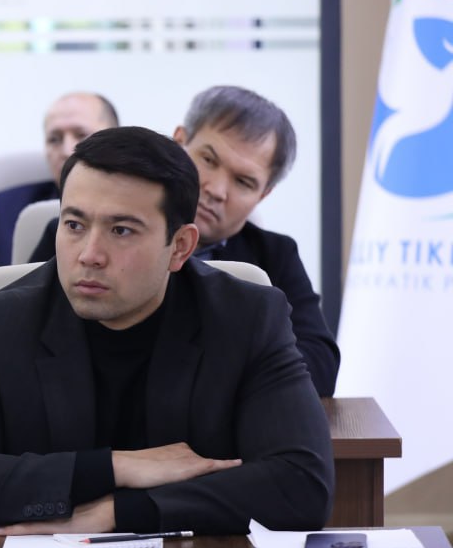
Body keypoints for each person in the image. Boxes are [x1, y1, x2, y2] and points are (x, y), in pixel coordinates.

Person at [0, 126, 334, 536]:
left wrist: (120, 511)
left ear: (180, 247)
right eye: (74, 225)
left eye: (121, 230)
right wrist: (116, 467)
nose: (90, 255)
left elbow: (302, 485)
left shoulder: (248, 319)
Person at [29, 86, 340, 396]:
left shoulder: (274, 256)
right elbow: (22, 338)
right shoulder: (75, 238)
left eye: (243, 182)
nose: (216, 189)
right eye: (208, 159)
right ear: (179, 142)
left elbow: (319, 366)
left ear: (263, 195)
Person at [0, 92, 119, 316]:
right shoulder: (9, 206)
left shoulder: (140, 206)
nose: (67, 150)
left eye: (81, 135)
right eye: (54, 139)